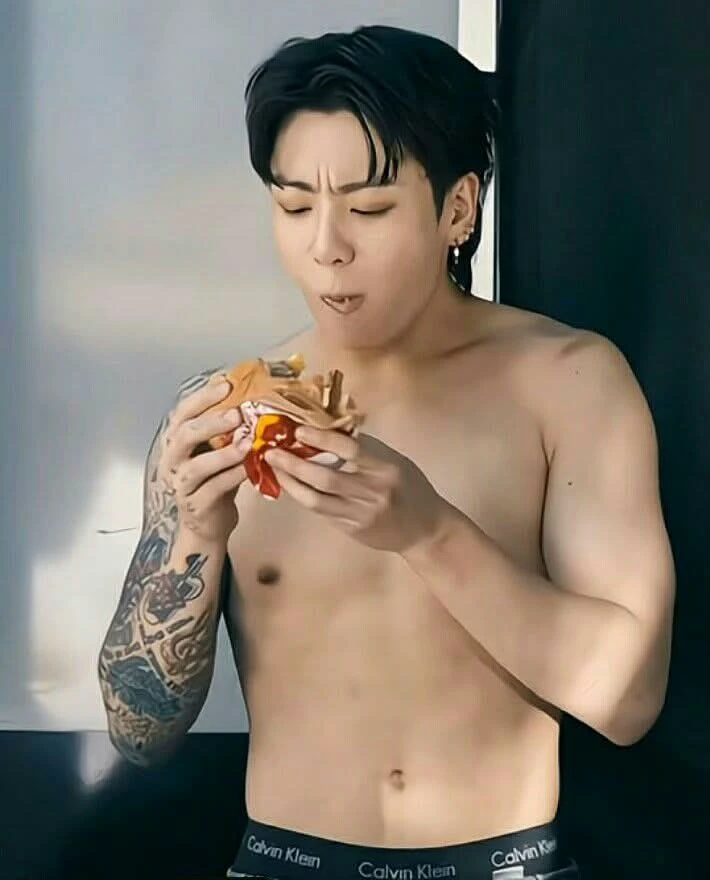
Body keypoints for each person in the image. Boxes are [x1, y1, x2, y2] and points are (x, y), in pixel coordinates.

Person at [97, 25, 675, 880]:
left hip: (507, 864)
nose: (326, 246)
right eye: (294, 206)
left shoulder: (571, 383)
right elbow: (136, 734)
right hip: (281, 861)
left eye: (367, 209)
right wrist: (195, 535)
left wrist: (429, 531)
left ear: (458, 209)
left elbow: (628, 702)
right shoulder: (220, 415)